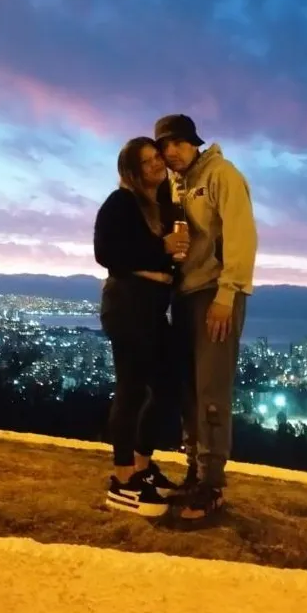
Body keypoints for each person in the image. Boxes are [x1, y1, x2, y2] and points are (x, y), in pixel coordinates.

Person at [154, 114, 258, 522]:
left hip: (215, 295)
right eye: (165, 147)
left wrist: (228, 294)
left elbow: (241, 235)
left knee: (212, 390)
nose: (172, 153)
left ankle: (211, 484)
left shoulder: (221, 175)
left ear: (193, 142)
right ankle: (195, 473)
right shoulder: (176, 185)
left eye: (178, 143)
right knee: (189, 391)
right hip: (185, 295)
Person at [94, 137, 189, 517]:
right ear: (131, 170)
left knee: (167, 387)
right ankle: (122, 482)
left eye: (156, 159)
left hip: (152, 307)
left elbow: (159, 255)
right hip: (128, 304)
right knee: (131, 389)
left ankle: (142, 466)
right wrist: (163, 249)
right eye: (146, 161)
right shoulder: (120, 203)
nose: (156, 165)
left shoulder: (158, 204)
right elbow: (107, 254)